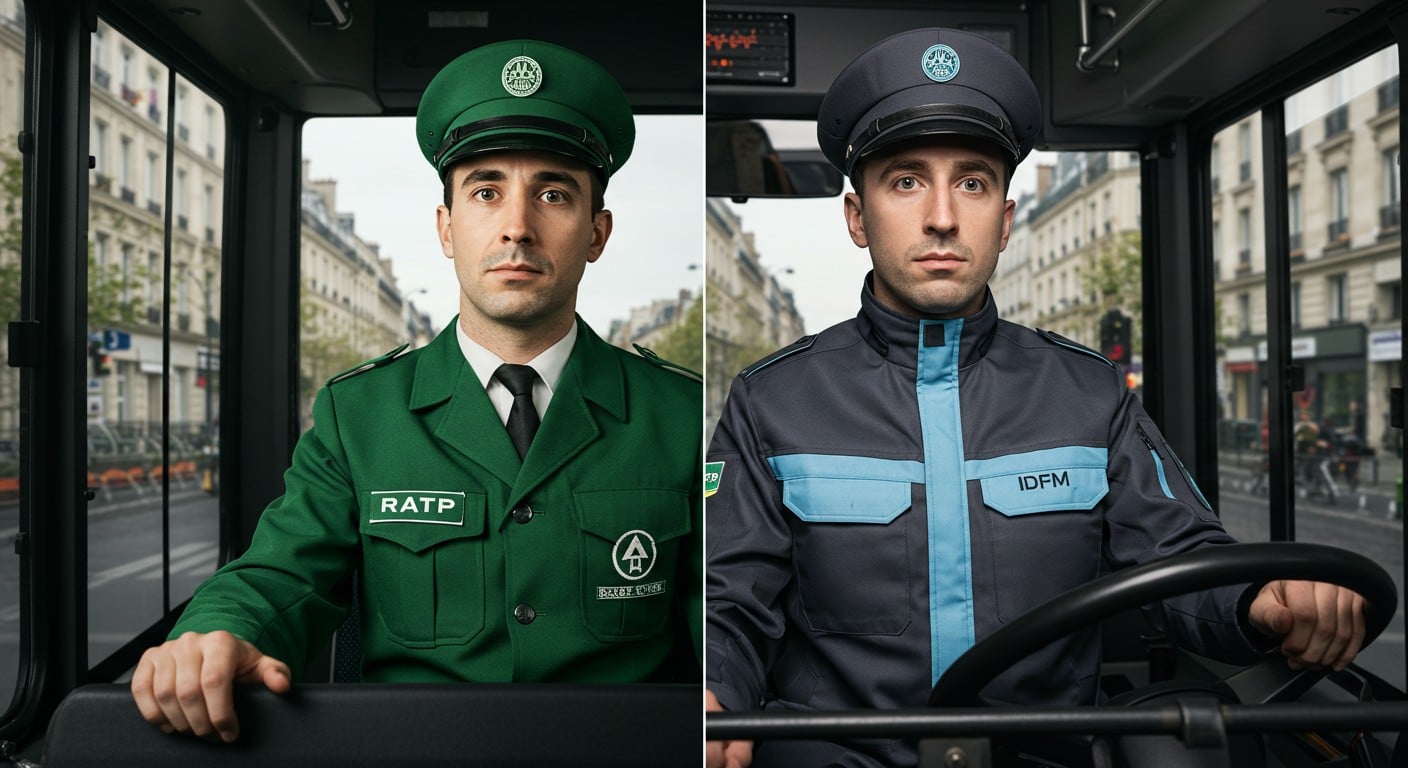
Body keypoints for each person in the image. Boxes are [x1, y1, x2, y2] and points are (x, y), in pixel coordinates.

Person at [705, 28, 1367, 768]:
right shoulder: (772, 400)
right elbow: (725, 599)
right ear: (858, 217)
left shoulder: (1090, 392)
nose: (942, 217)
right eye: (906, 181)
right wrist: (713, 692)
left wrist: (1261, 599)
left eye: (973, 183)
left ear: (1006, 222)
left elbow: (1181, 558)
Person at [132, 39, 702, 743]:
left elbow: (724, 605)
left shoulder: (680, 415)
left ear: (596, 233)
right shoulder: (358, 414)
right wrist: (217, 634)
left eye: (553, 194)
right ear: (446, 228)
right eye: (485, 192)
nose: (517, 227)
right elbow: (281, 573)